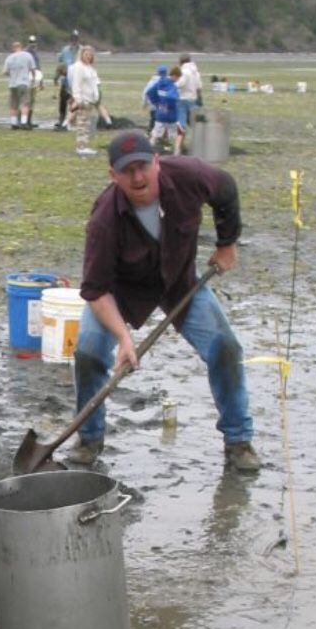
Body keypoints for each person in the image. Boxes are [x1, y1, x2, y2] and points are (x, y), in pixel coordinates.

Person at [69, 129, 260, 474]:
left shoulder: (188, 176)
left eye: (143, 166)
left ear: (157, 162)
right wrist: (125, 339)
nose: (138, 177)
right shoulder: (104, 220)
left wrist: (226, 243)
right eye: (127, 171)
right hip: (121, 292)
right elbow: (95, 290)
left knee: (226, 348)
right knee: (89, 351)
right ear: (113, 175)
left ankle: (239, 441)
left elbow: (226, 188)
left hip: (178, 282)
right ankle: (89, 438)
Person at [67, 44, 101, 157]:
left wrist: (96, 97)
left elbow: (95, 83)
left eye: (90, 55)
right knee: (81, 123)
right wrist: (78, 99)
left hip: (90, 100)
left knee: (87, 124)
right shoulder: (79, 67)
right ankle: (80, 147)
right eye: (86, 54)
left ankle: (85, 145)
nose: (88, 57)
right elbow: (76, 84)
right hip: (83, 100)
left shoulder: (90, 68)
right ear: (81, 55)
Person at [143, 63, 180, 153]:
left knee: (155, 133)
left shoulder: (158, 83)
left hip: (160, 112)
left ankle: (149, 150)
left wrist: (157, 103)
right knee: (173, 135)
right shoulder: (172, 85)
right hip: (171, 114)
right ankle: (175, 153)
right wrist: (173, 106)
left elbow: (149, 92)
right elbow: (171, 97)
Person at [3, 40, 37, 129]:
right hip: (23, 82)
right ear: (21, 47)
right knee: (25, 103)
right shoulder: (27, 55)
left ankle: (14, 123)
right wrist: (33, 79)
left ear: (13, 48)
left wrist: (12, 75)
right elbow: (33, 69)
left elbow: (5, 72)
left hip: (12, 84)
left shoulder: (9, 58)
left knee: (14, 104)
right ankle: (23, 122)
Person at [54, 29, 81, 129]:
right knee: (63, 101)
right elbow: (60, 65)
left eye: (76, 39)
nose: (74, 41)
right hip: (66, 80)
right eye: (73, 39)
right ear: (70, 39)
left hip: (77, 81)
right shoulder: (64, 50)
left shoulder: (82, 50)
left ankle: (71, 120)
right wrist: (56, 77)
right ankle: (61, 118)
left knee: (75, 101)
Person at [176, 53, 203, 141]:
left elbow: (180, 84)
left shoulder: (184, 71)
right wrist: (200, 98)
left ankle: (179, 147)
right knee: (195, 123)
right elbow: (199, 86)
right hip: (193, 99)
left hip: (182, 99)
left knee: (181, 124)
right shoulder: (196, 72)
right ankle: (198, 144)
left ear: (181, 62)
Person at [25, 34, 44, 126]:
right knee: (26, 100)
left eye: (34, 42)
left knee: (32, 100)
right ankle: (24, 120)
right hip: (27, 79)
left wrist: (41, 81)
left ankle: (29, 120)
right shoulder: (25, 54)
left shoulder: (36, 54)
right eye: (31, 42)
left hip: (35, 79)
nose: (32, 44)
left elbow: (38, 68)